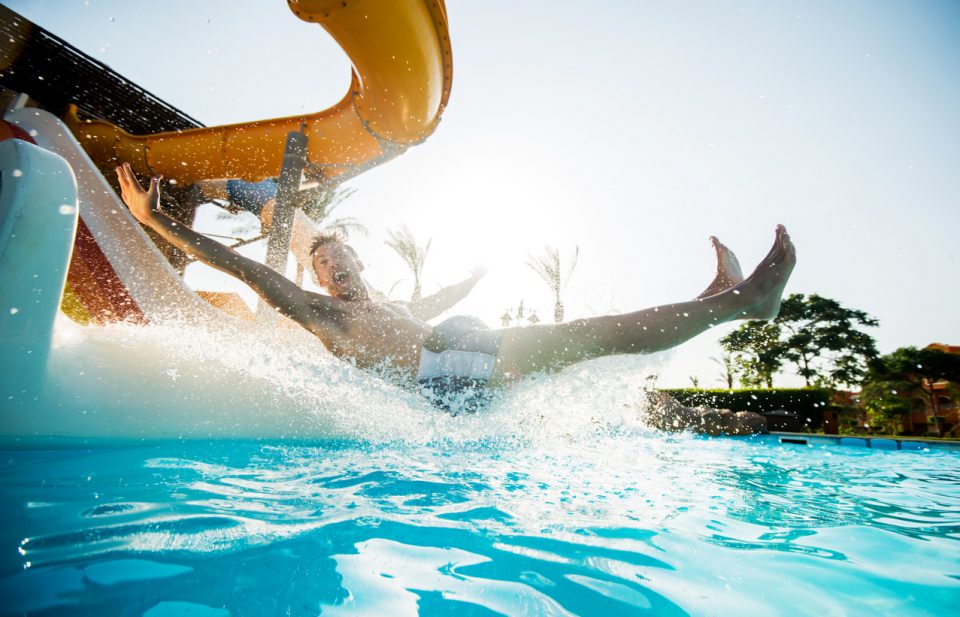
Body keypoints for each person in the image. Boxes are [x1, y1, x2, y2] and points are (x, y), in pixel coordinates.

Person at [116, 163, 796, 411]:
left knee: (592, 337)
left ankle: (719, 300)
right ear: (317, 277)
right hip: (448, 380)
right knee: (589, 334)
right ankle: (741, 303)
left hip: (462, 362)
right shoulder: (320, 312)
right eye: (326, 263)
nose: (339, 265)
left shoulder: (387, 304)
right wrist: (160, 224)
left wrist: (470, 278)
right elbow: (250, 271)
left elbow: (432, 303)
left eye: (345, 254)